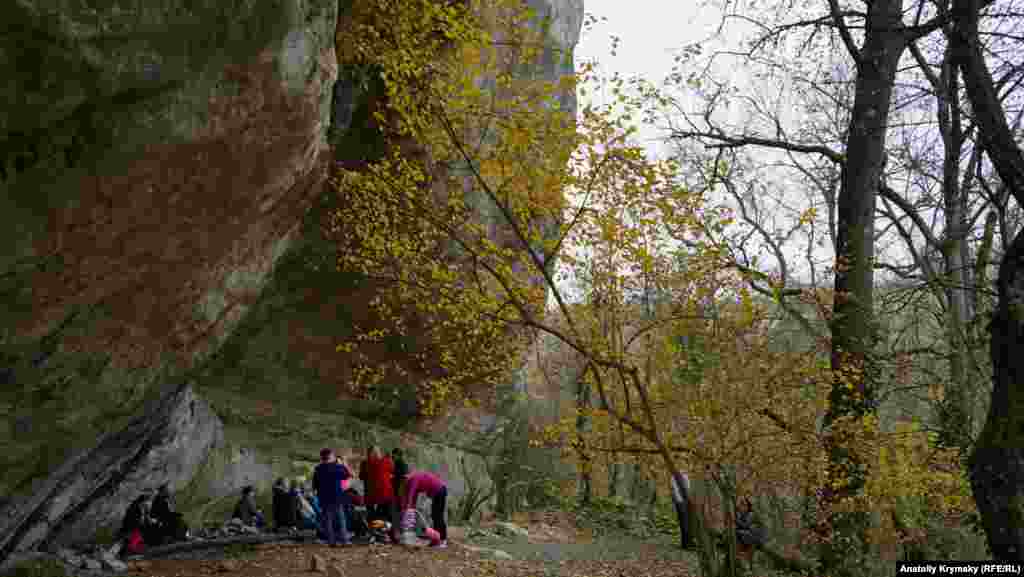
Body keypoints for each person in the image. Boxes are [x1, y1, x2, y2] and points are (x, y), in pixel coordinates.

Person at [399, 470, 448, 548]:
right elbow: (413, 496)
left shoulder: (413, 478)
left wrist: (408, 508)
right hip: (438, 491)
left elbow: (411, 493)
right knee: (435, 516)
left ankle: (442, 540)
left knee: (438, 516)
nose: (403, 482)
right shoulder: (410, 480)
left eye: (403, 480)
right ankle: (436, 540)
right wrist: (410, 507)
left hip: (440, 490)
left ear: (406, 477)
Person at [313, 448, 351, 546]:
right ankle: (344, 540)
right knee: (341, 519)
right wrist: (343, 464)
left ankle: (331, 541)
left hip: (324, 498)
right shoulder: (336, 467)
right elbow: (347, 475)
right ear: (330, 456)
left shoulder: (318, 469)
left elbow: (315, 485)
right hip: (337, 497)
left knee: (328, 520)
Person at [366, 446, 395, 524]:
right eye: (378, 451)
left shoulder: (367, 463)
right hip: (386, 493)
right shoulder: (385, 461)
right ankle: (390, 533)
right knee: (389, 515)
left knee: (377, 515)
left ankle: (378, 531)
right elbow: (392, 470)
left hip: (373, 495)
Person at [735, 497, 766, 565]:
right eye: (741, 505)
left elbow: (746, 525)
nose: (741, 507)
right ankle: (742, 556)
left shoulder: (751, 514)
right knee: (739, 536)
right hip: (749, 537)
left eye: (744, 505)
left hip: (757, 537)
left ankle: (745, 558)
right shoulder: (740, 515)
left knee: (740, 533)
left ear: (748, 507)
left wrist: (737, 521)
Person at [670, 471, 691, 549]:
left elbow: (688, 488)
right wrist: (679, 501)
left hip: (684, 502)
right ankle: (686, 544)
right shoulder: (675, 476)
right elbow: (674, 490)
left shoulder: (685, 475)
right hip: (681, 502)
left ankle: (687, 543)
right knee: (684, 523)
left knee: (686, 523)